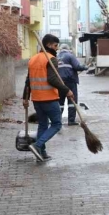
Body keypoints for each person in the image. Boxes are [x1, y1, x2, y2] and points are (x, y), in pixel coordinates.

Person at [22, 34, 74, 162]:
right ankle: (37, 145)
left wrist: (25, 97)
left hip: (37, 99)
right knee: (56, 124)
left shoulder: (32, 59)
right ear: (49, 45)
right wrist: (66, 90)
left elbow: (28, 80)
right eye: (55, 45)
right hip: (49, 98)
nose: (57, 48)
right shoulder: (51, 59)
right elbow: (52, 79)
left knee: (43, 125)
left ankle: (42, 153)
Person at [57, 43, 87, 126]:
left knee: (60, 102)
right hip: (70, 81)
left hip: (59, 82)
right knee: (72, 101)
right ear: (68, 49)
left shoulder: (56, 57)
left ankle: (58, 121)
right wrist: (84, 67)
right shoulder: (70, 56)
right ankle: (71, 121)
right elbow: (77, 66)